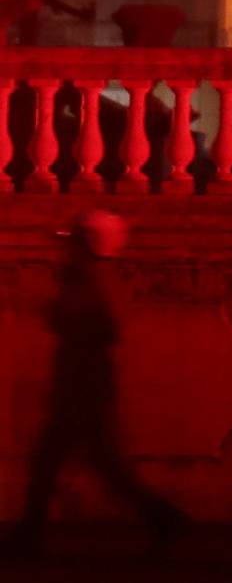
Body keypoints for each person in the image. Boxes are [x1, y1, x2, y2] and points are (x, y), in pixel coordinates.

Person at [3, 212, 184, 560]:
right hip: (84, 384)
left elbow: (88, 326)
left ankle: (165, 519)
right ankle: (163, 519)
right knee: (74, 463)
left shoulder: (91, 279)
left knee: (84, 465)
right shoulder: (89, 277)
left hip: (83, 386)